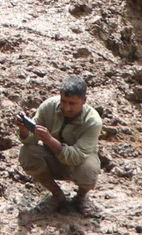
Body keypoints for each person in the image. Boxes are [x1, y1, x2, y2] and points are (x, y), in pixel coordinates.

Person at [18, 76, 103, 215]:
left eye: (72, 103)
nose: (66, 107)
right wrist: (24, 130)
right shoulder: (49, 106)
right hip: (52, 158)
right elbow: (30, 140)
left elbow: (76, 157)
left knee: (89, 169)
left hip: (78, 163)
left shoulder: (93, 121)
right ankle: (57, 196)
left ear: (84, 101)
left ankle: (80, 198)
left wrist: (50, 140)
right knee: (27, 153)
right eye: (63, 101)